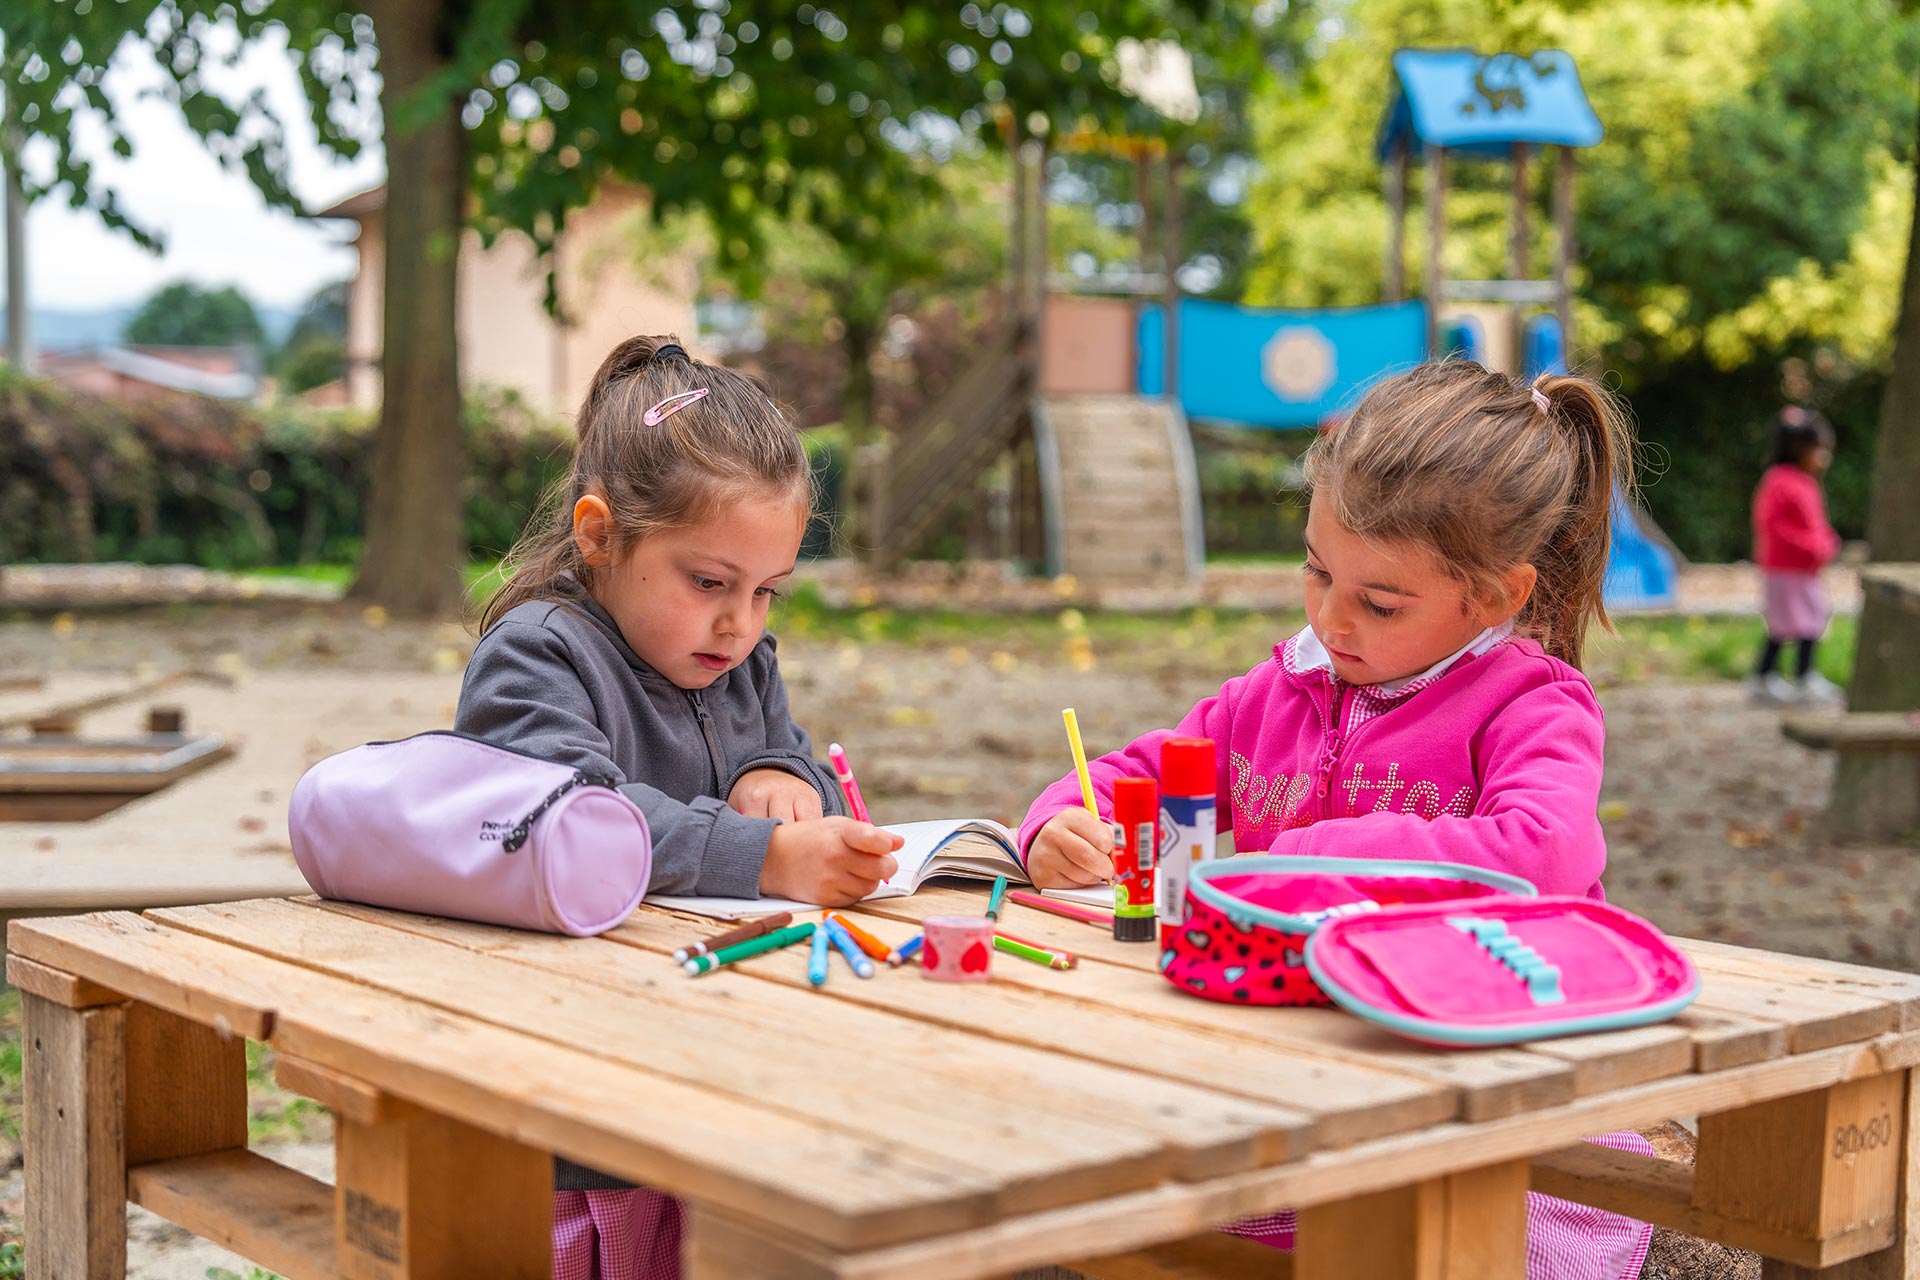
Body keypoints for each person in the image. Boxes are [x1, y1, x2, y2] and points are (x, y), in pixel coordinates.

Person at [1020, 359, 1652, 1279]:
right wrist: (1062, 818)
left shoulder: (1533, 705)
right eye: (1317, 572)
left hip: (1493, 1090)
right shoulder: (1276, 693)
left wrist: (1328, 854)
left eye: (1380, 602)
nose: (1332, 619)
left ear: (1497, 597)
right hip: (1309, 1075)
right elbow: (1144, 773)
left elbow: (1546, 852)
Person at [458, 334, 903, 1280]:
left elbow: (791, 756)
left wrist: (781, 777)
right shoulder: (537, 657)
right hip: (590, 1101)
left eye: (768, 591)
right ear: (598, 534)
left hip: (728, 1064)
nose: (740, 623)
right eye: (710, 583)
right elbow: (575, 820)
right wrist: (766, 854)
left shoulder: (738, 660)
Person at [1746, 403, 1843, 706]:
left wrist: (1826, 541)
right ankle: (1799, 678)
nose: (1824, 457)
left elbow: (1811, 524)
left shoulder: (1802, 482)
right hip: (1786, 570)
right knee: (1796, 622)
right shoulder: (1780, 481)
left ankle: (1769, 676)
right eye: (1819, 449)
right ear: (1800, 448)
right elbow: (1774, 527)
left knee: (1799, 621)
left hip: (1802, 570)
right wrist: (1815, 546)